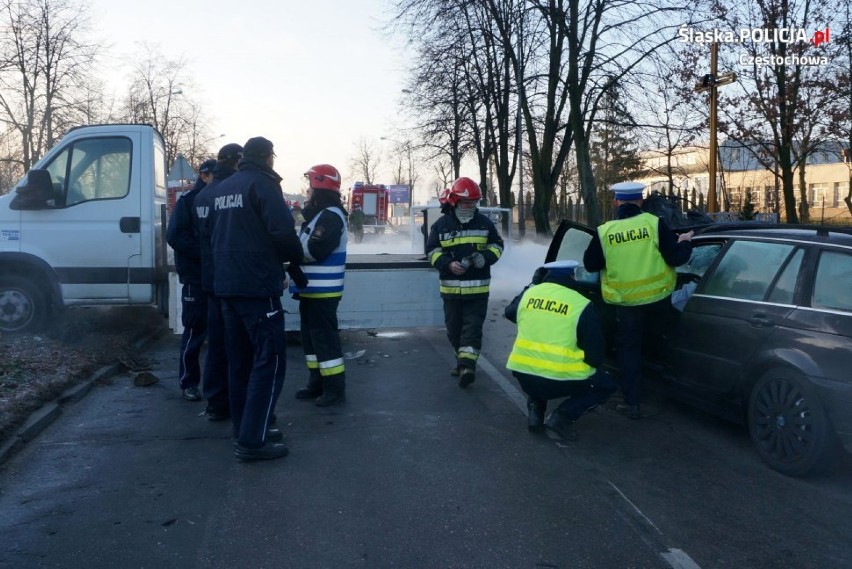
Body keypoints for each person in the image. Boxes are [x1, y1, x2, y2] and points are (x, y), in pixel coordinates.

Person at [209, 136, 304, 461]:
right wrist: (294, 259)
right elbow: (282, 232)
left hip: (226, 286)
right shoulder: (263, 185)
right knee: (270, 360)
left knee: (240, 362)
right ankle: (253, 440)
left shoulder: (224, 188)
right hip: (256, 286)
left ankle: (246, 427)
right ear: (268, 157)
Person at [583, 181, 693, 419]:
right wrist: (684, 242)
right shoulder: (654, 224)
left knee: (629, 351)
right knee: (661, 344)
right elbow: (676, 259)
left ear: (616, 202)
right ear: (641, 201)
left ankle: (631, 402)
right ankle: (674, 397)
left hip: (626, 305)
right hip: (659, 301)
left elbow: (590, 264)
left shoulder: (605, 231)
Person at [505, 260, 618, 440]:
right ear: (572, 277)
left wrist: (533, 285)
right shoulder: (581, 304)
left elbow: (510, 313)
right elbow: (595, 354)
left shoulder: (530, 293)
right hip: (562, 380)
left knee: (538, 377)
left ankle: (536, 413)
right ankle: (562, 417)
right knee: (606, 386)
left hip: (523, 373)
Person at [426, 177, 504, 388]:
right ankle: (462, 362)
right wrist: (448, 264)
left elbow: (497, 246)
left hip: (478, 289)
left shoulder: (485, 223)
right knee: (454, 329)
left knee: (472, 328)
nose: (470, 207)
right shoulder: (441, 225)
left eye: (473, 203)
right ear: (454, 201)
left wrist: (484, 258)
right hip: (450, 290)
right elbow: (432, 251)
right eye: (466, 203)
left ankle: (468, 367)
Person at [290, 164, 349, 407]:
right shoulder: (319, 215)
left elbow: (315, 249)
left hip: (323, 291)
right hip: (311, 290)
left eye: (310, 186)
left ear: (320, 186)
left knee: (325, 341)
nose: (307, 191)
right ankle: (317, 381)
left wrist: (290, 252)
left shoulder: (331, 216)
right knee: (311, 340)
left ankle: (334, 389)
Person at [192, 143, 243, 421]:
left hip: (210, 279)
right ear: (238, 161)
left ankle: (215, 402)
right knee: (237, 346)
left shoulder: (203, 195)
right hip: (232, 279)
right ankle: (234, 402)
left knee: (216, 345)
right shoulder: (232, 191)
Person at [166, 158, 217, 402]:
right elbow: (175, 236)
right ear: (204, 176)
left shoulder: (220, 200)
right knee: (195, 332)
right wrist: (206, 254)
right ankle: (188, 382)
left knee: (220, 335)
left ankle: (217, 386)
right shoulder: (188, 202)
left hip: (219, 277)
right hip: (196, 278)